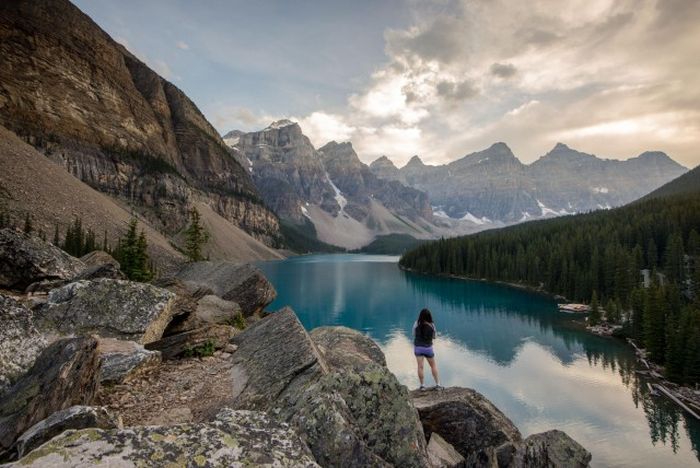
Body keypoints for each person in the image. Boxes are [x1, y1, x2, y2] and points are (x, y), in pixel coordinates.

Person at [413, 308, 441, 390]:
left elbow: (413, 334)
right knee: (433, 366)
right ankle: (438, 384)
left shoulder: (416, 323)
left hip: (418, 347)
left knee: (420, 367)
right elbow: (434, 337)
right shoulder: (432, 325)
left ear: (420, 316)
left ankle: (422, 386)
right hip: (428, 348)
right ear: (429, 316)